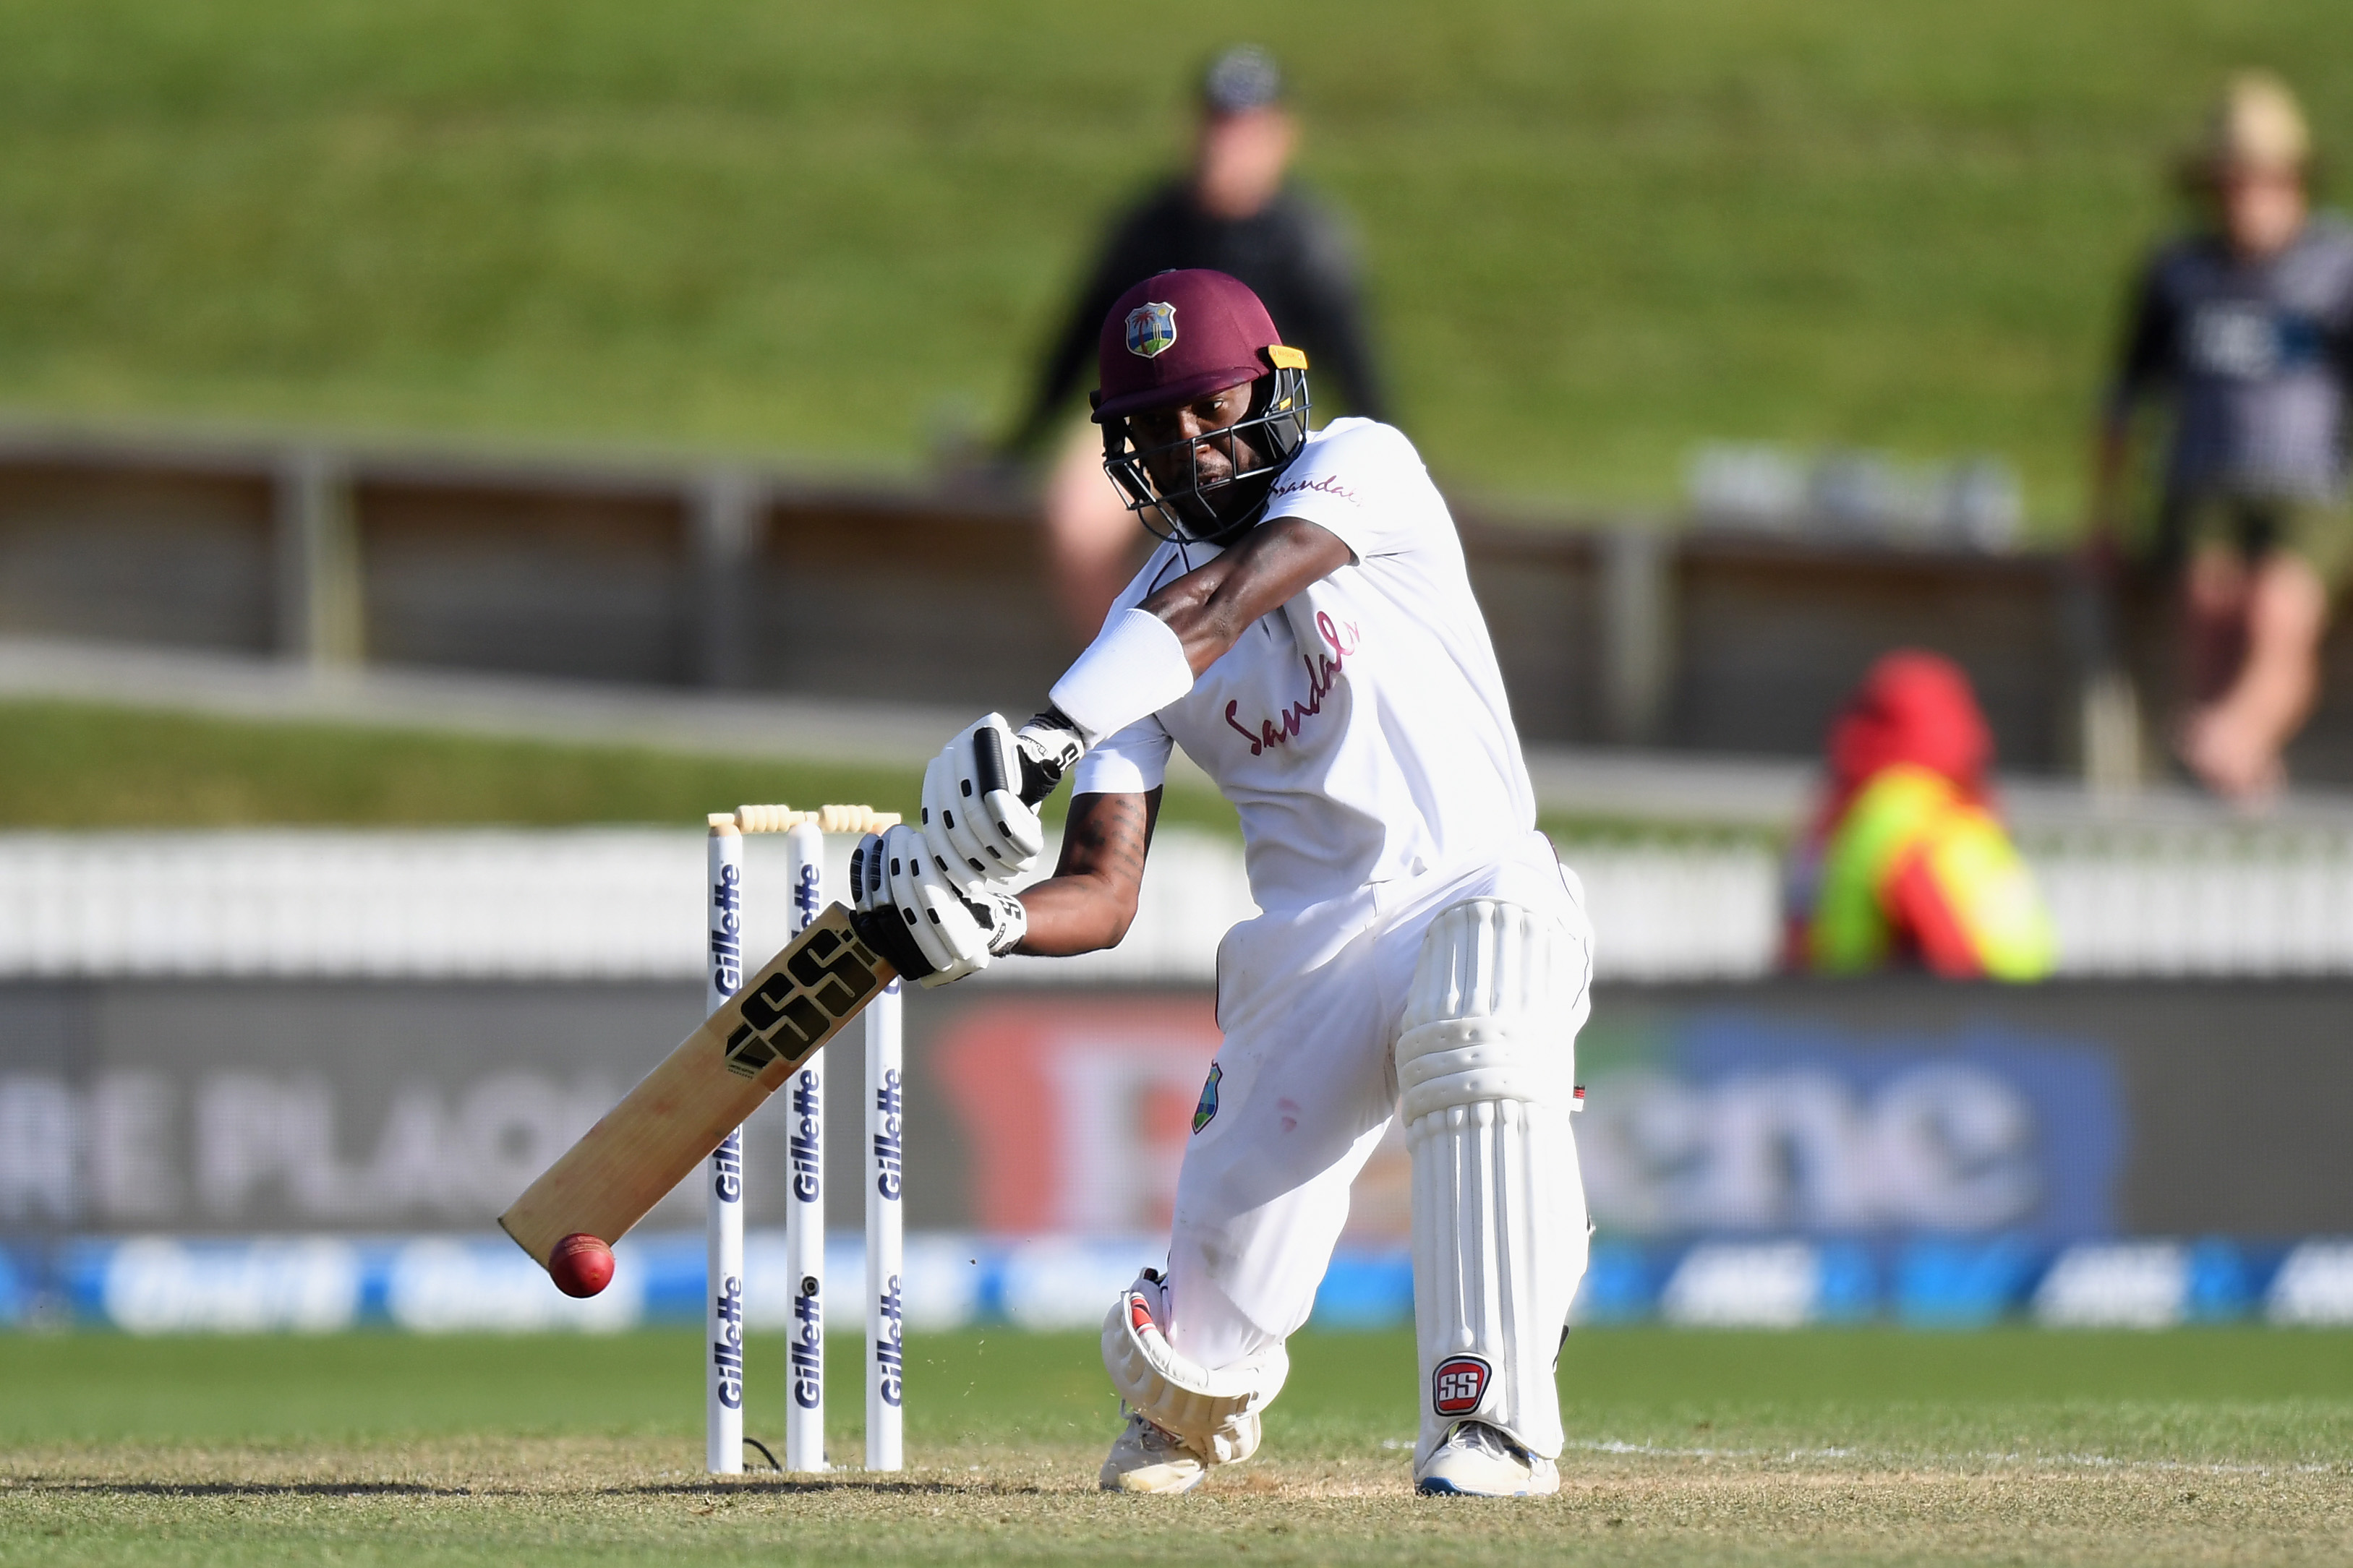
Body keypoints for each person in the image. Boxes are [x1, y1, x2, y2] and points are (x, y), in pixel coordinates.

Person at [855, 269, 1589, 1496]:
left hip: (1471, 875)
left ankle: (1488, 1421)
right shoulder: (1129, 639)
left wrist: (1044, 727)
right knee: (1198, 1338)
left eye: (1209, 409)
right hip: (1306, 953)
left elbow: (1236, 591)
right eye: (1151, 426)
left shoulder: (1362, 466)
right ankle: (1198, 1401)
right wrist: (982, 921)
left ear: (1271, 391)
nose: (1187, 448)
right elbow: (1099, 888)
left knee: (1480, 1008)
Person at [1006, 45, 1390, 641]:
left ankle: (1258, 688)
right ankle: (1126, 682)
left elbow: (1355, 365)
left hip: (1265, 421)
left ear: (1280, 136)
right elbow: (1081, 339)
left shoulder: (1305, 238)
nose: (1225, 144)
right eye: (1217, 124)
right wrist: (1018, 441)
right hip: (1155, 420)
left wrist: (1393, 450)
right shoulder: (1151, 226)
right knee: (1076, 520)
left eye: (1244, 128)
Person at [2091, 72, 2353, 802]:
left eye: (2262, 181)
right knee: (2206, 601)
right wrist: (2102, 519)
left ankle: (2224, 742)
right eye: (2232, 182)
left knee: (2277, 607)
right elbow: (2119, 402)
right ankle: (2234, 770)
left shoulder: (2334, 270)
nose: (2245, 199)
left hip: (2310, 483)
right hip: (2202, 478)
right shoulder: (2179, 273)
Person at [1783, 651, 2054, 981]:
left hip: (1924, 1022)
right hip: (2032, 1014)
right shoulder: (1961, 815)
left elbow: (1946, 944)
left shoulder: (1890, 815)